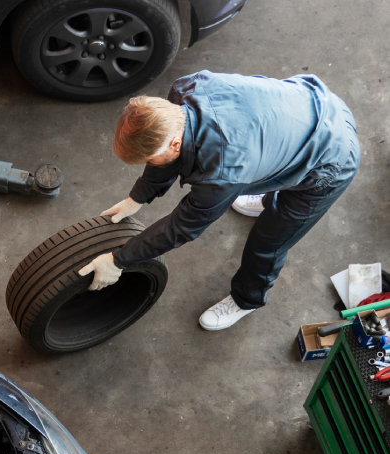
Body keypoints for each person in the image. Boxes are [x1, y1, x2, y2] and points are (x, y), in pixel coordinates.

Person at [79, 71, 359, 331]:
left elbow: (182, 227)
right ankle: (268, 195)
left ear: (175, 144)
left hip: (333, 155)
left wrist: (119, 260)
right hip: (301, 109)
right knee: (264, 166)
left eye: (149, 159)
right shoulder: (184, 90)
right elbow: (163, 148)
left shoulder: (221, 173)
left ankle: (246, 300)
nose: (149, 164)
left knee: (268, 243)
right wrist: (138, 196)